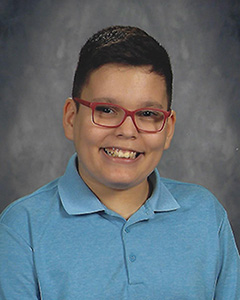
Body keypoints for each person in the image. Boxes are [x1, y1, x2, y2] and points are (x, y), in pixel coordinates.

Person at [0, 25, 239, 300]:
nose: (127, 130)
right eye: (106, 110)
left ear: (168, 128)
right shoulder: (22, 229)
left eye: (148, 113)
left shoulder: (206, 217)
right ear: (70, 118)